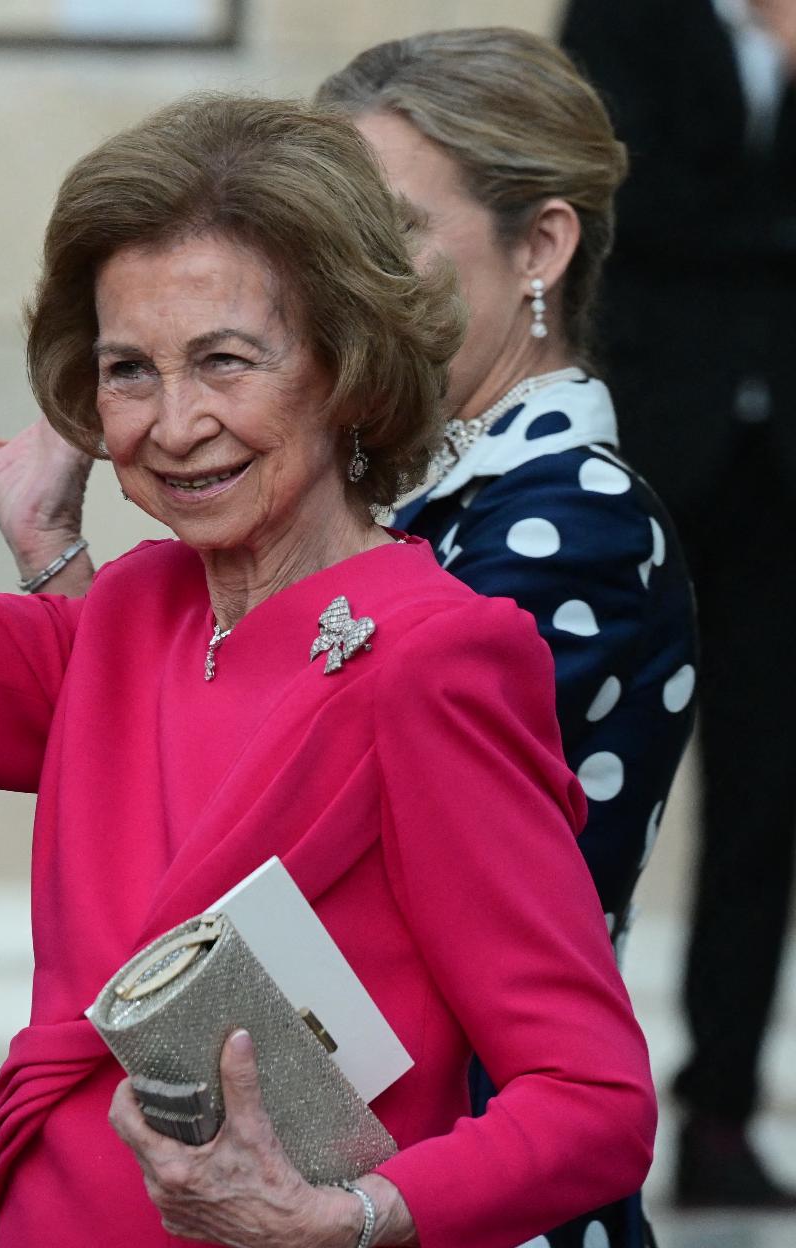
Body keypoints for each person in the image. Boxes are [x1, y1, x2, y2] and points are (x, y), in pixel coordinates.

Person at [0, 50, 656, 1248]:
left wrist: (345, 1219)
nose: (174, 423)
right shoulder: (128, 613)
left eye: (224, 360)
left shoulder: (437, 655)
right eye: (127, 373)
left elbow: (593, 1103)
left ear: (347, 365)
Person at [0, 29, 696, 1246]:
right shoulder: (387, 498)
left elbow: (302, 791)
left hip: (460, 1182)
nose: (336, 260)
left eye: (385, 224)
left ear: (542, 248)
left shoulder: (575, 521)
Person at [561, 0, 796, 1210]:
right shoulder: (623, 15)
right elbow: (622, 203)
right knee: (579, 783)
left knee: (766, 804)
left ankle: (718, 1116)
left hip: (778, 482)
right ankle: (550, 1097)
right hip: (653, 453)